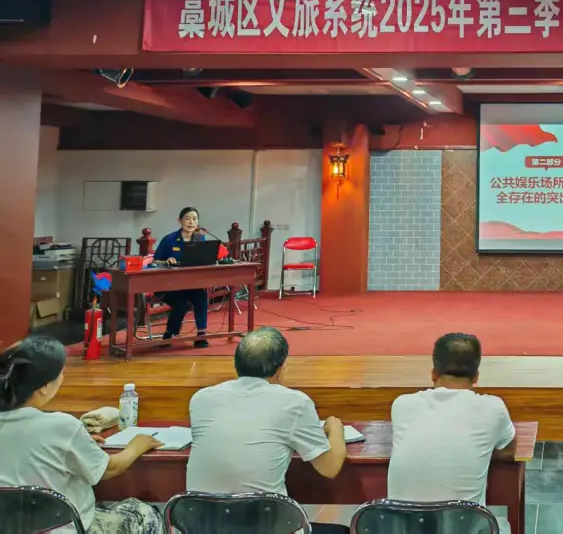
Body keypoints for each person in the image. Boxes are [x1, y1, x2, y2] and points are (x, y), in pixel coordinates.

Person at [186, 327, 348, 534]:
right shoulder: (294, 402)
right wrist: (335, 429)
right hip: (265, 526)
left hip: (204, 527)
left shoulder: (201, 398)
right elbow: (330, 468)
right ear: (280, 369)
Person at [0, 336, 163, 533]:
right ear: (44, 387)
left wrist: (77, 443)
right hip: (63, 529)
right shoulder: (62, 427)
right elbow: (110, 468)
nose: (62, 377)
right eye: (61, 373)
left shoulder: (61, 431)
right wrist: (137, 446)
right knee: (143, 512)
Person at [388, 333, 516, 533]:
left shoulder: (402, 405)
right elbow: (509, 448)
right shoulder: (493, 408)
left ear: (433, 373)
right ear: (476, 377)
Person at [153, 206, 210, 348]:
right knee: (181, 303)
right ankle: (169, 334)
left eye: (194, 219)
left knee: (201, 298)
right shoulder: (169, 239)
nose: (191, 222)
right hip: (169, 285)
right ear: (180, 221)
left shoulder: (200, 239)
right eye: (187, 219)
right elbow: (154, 261)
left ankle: (201, 335)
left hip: (191, 283)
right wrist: (166, 261)